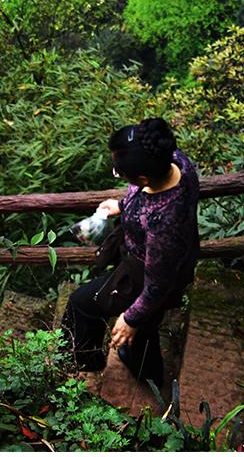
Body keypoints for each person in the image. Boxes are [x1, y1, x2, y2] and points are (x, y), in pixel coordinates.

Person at [61, 117, 199, 386]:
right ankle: (148, 373)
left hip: (143, 272)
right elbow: (145, 196)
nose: (117, 172)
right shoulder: (177, 163)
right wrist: (123, 205)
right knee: (146, 329)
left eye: (119, 171)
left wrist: (129, 318)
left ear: (143, 178)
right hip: (173, 258)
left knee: (83, 304)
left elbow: (158, 284)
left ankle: (89, 364)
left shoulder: (162, 223)